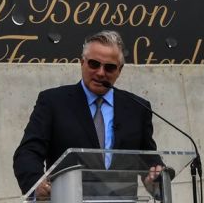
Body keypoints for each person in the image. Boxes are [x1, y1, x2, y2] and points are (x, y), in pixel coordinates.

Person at [12, 30, 161, 200]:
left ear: (119, 70)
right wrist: (36, 183)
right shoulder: (53, 102)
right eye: (94, 64)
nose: (100, 72)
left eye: (110, 67)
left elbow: (148, 158)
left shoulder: (138, 108)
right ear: (82, 62)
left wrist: (156, 177)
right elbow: (28, 152)